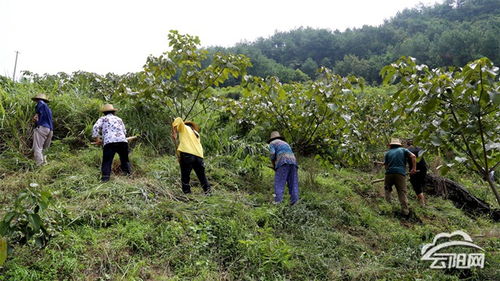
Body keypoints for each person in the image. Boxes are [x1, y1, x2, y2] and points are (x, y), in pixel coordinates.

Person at [92, 104, 131, 182]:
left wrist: (97, 139)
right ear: (114, 112)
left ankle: (105, 179)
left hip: (110, 142)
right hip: (122, 141)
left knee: (107, 161)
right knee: (125, 159)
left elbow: (95, 127)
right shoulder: (119, 119)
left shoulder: (103, 119)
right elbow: (124, 131)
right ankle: (128, 176)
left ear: (104, 113)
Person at [171, 117, 211, 194]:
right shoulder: (196, 133)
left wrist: (175, 132)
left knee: (185, 175)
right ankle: (208, 191)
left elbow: (178, 119)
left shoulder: (184, 127)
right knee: (201, 176)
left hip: (187, 154)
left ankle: (187, 193)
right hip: (199, 156)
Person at [384, 138, 416, 216]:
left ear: (391, 145)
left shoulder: (387, 153)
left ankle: (388, 207)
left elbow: (386, 166)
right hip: (400, 173)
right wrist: (413, 168)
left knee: (387, 190)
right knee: (402, 192)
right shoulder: (403, 150)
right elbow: (413, 156)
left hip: (389, 173)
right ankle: (405, 211)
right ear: (399, 145)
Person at [268, 131, 299, 205]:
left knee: (279, 183)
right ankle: (294, 203)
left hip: (283, 162)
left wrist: (274, 165)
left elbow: (272, 154)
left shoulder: (272, 143)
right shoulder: (285, 143)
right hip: (293, 162)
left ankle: (278, 202)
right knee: (293, 183)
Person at [31, 93, 54, 166]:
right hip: (50, 129)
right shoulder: (49, 109)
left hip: (42, 127)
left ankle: (39, 165)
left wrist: (35, 118)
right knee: (45, 148)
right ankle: (44, 163)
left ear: (37, 99)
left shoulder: (40, 104)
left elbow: (36, 117)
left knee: (37, 147)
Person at [405, 139, 428, 206]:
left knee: (415, 184)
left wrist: (413, 168)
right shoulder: (419, 149)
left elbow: (413, 157)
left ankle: (422, 203)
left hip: (414, 170)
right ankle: (422, 199)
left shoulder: (408, 151)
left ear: (407, 144)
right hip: (423, 169)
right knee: (420, 184)